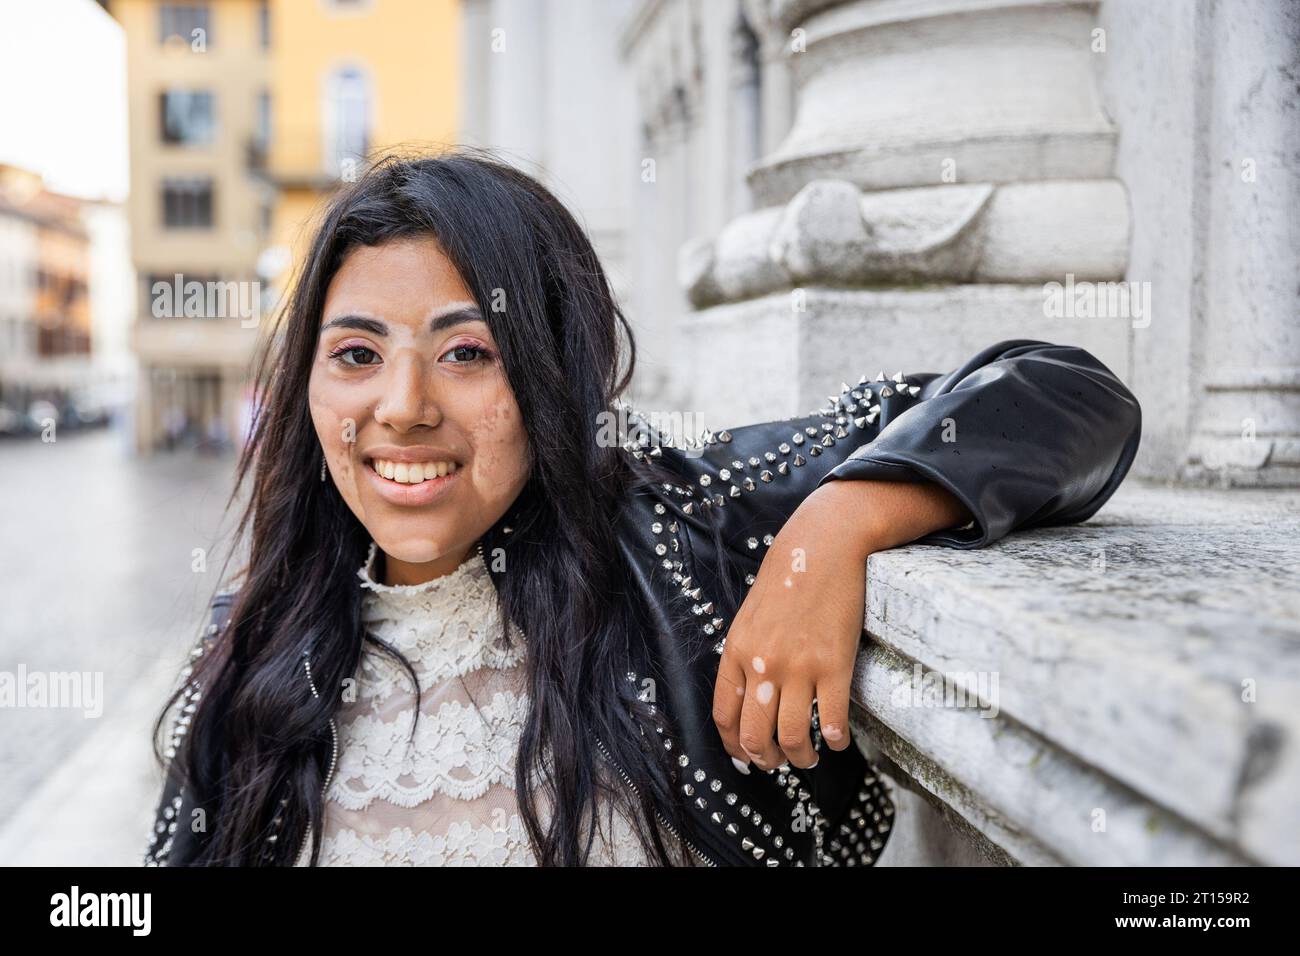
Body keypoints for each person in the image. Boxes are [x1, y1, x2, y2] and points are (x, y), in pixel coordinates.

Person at [143, 147, 1141, 867]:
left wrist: (834, 530)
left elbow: (1064, 395)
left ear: (550, 377)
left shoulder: (684, 539)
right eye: (357, 354)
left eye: (467, 352)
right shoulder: (252, 658)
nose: (403, 409)